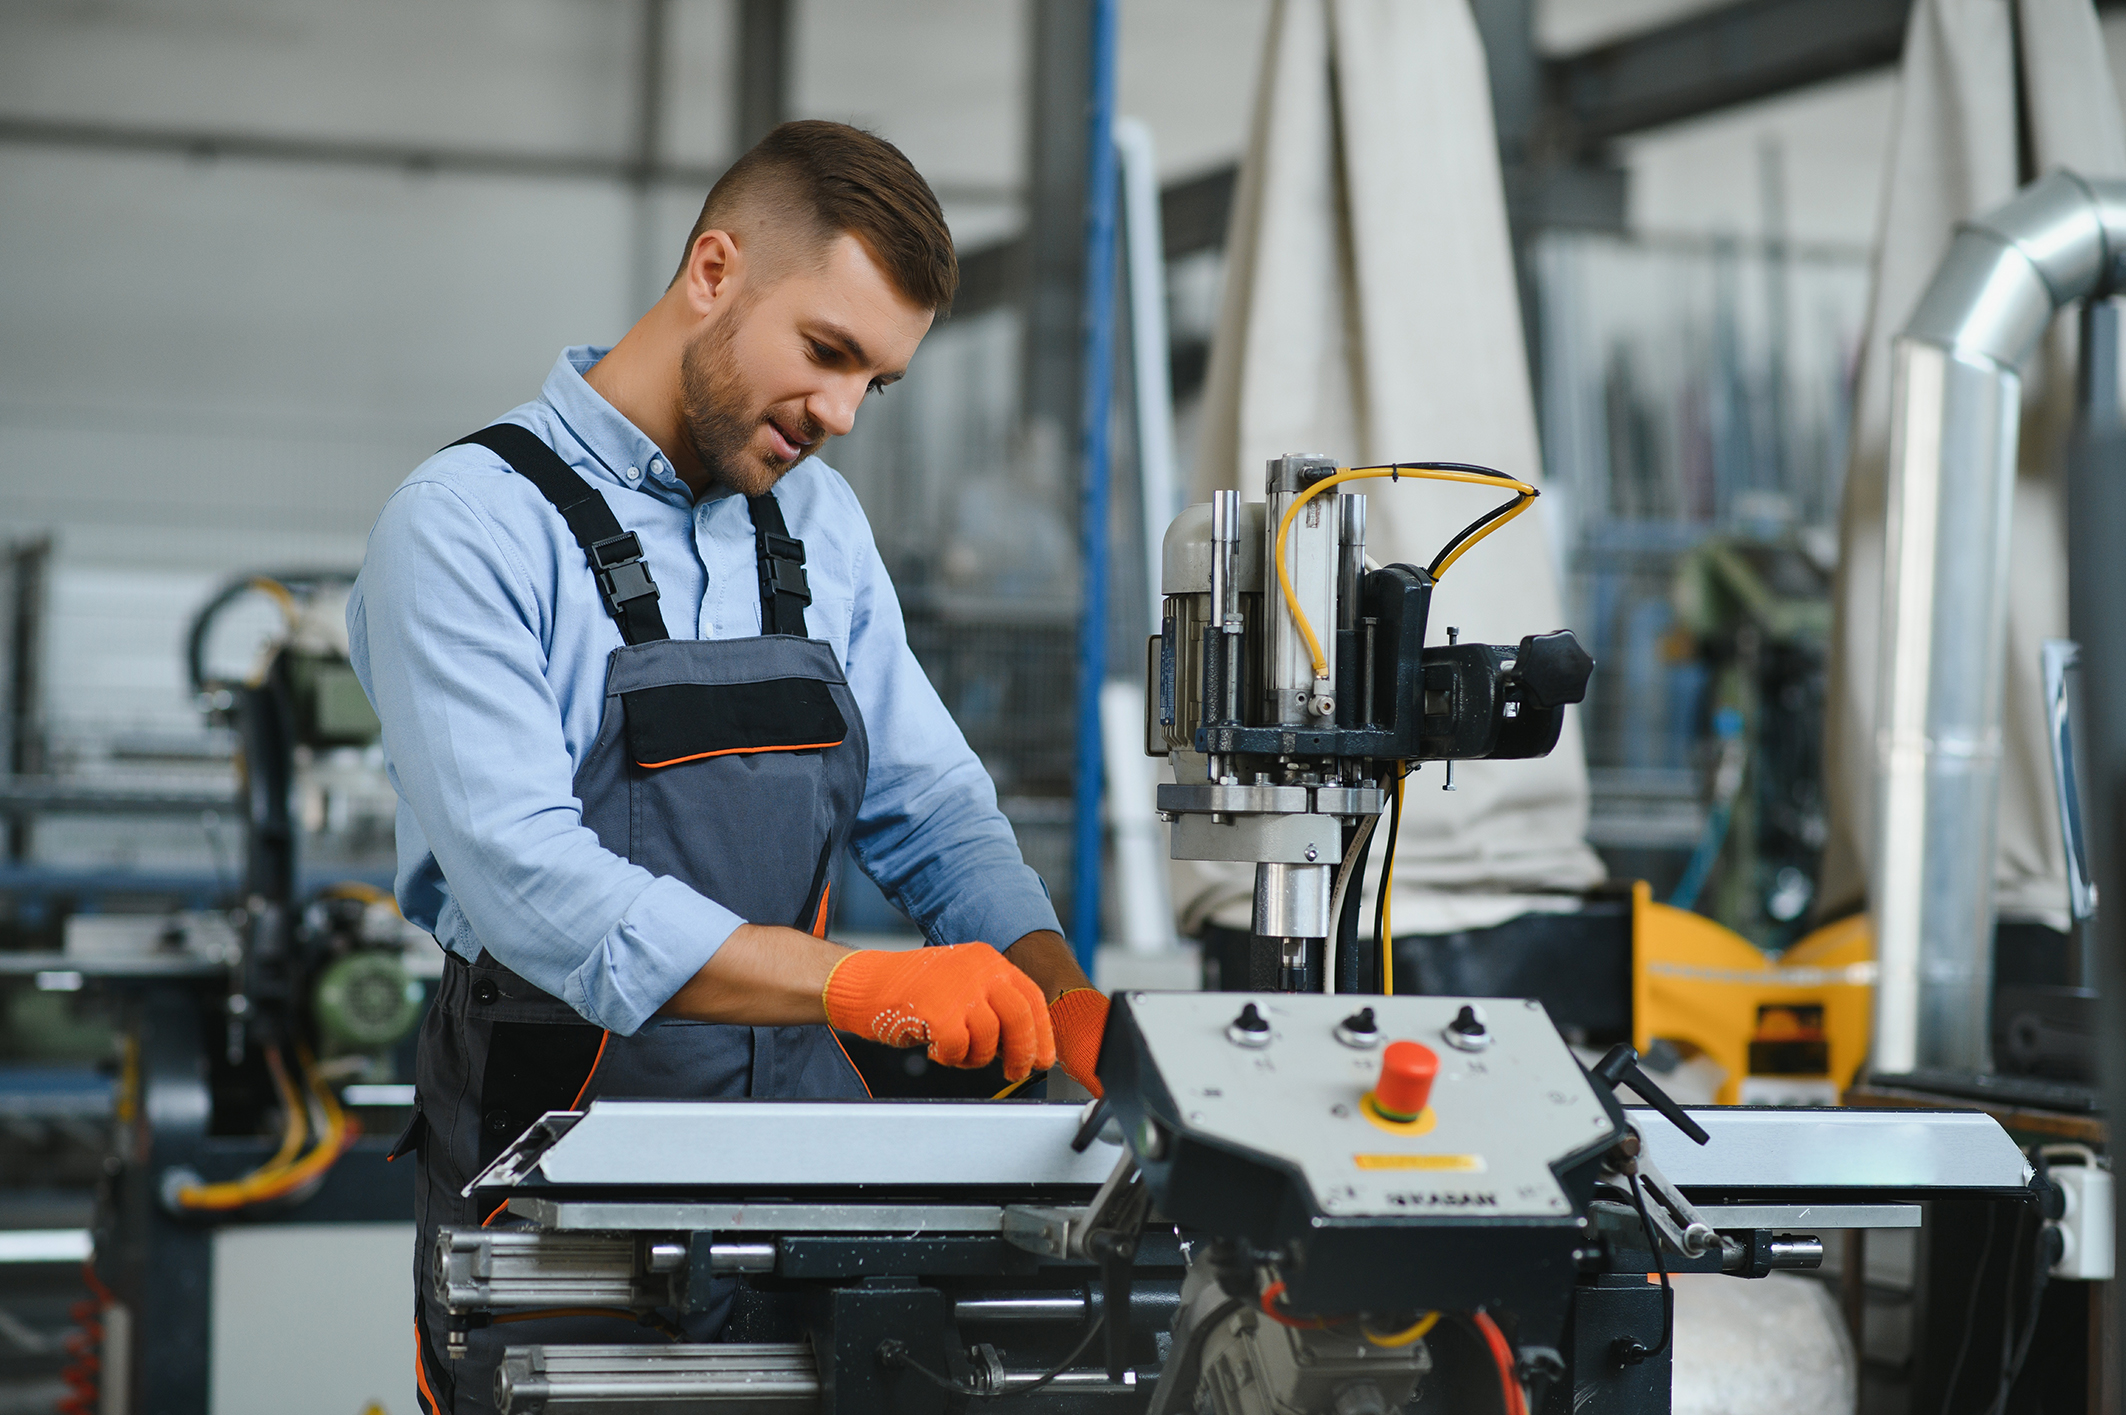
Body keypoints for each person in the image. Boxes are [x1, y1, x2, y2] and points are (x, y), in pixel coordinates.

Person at [347, 119, 1113, 1414]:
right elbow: (531, 880)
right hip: (558, 1158)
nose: (843, 415)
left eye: (877, 380)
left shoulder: (813, 520)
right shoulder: (468, 524)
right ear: (713, 271)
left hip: (806, 1148)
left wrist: (1059, 1006)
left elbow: (928, 805)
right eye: (826, 353)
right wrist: (857, 980)